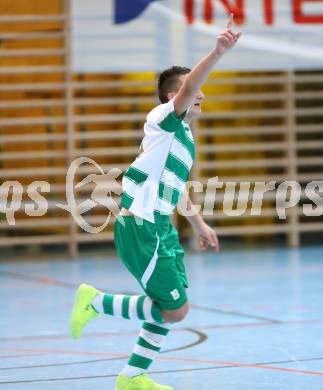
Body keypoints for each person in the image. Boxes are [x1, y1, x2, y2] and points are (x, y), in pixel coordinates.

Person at [70, 14, 241, 390]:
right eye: (192, 89)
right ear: (172, 96)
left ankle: (132, 377)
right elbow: (191, 84)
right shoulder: (162, 118)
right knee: (175, 309)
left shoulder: (182, 139)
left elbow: (176, 187)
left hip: (160, 226)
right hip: (142, 227)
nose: (202, 94)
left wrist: (199, 224)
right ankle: (95, 302)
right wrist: (217, 51)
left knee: (169, 305)